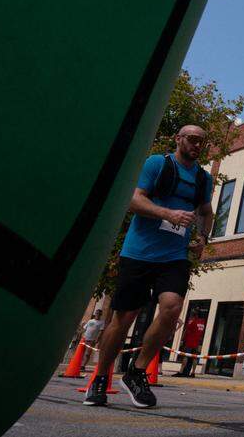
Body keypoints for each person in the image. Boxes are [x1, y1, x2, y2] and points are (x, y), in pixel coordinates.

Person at [84, 125, 214, 408]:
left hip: (175, 255)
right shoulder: (158, 164)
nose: (197, 145)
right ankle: (101, 377)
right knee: (124, 318)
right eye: (192, 139)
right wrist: (169, 213)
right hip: (140, 253)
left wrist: (203, 237)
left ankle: (137, 372)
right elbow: (134, 199)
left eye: (202, 142)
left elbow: (206, 212)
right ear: (178, 139)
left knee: (171, 308)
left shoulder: (204, 179)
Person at [173, 312, 207, 377]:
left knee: (185, 356)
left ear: (195, 316)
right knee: (195, 358)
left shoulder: (193, 322)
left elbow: (186, 330)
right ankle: (193, 372)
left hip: (189, 342)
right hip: (197, 343)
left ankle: (181, 371)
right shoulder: (202, 323)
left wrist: (182, 340)